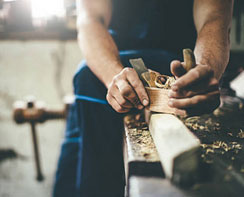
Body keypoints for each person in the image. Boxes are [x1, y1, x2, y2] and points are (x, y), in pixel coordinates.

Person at [53, 0, 234, 196]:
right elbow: (90, 19)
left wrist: (204, 71)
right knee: (69, 180)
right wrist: (114, 77)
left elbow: (214, 18)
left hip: (176, 67)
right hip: (110, 66)